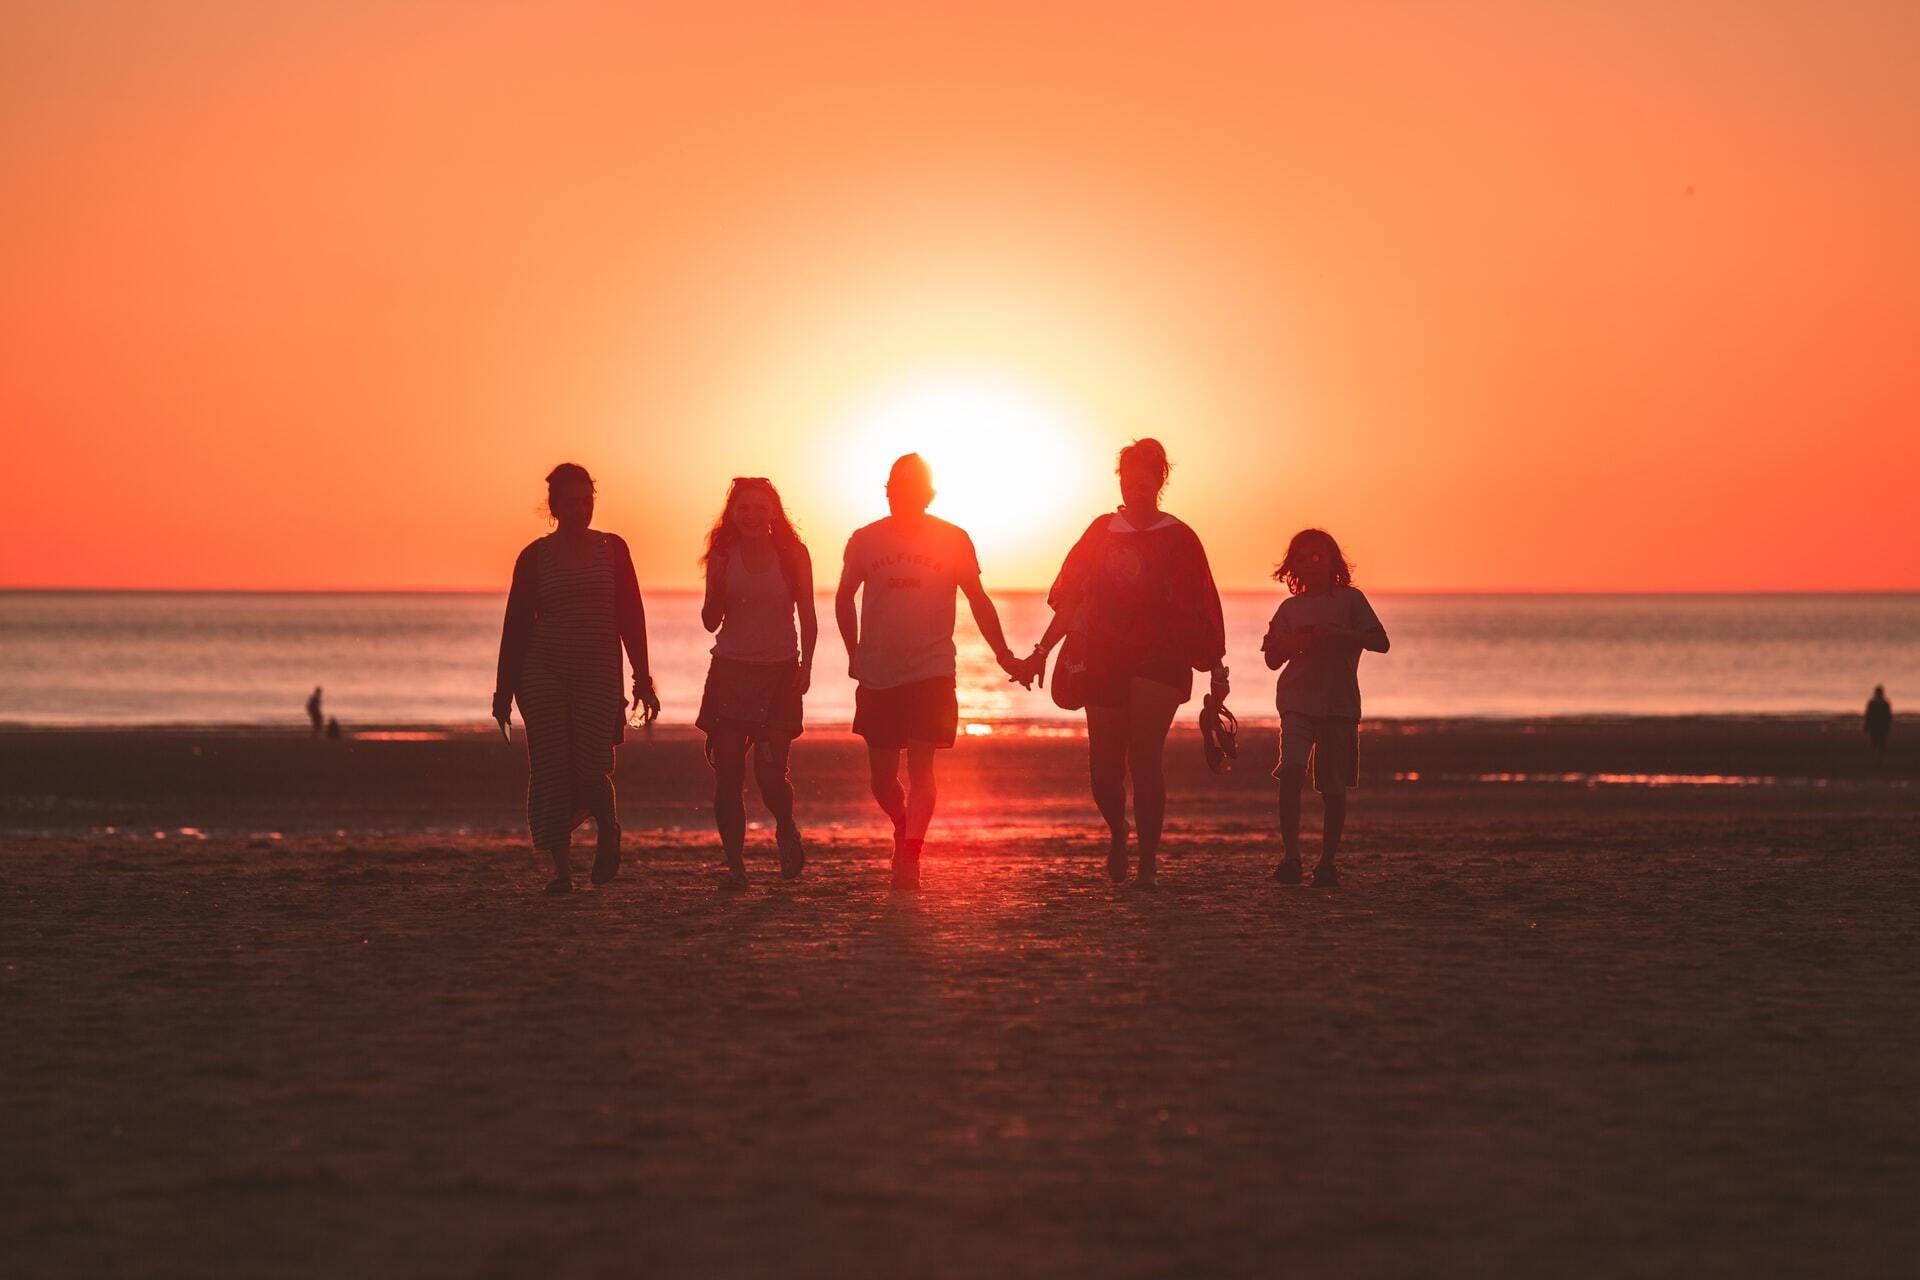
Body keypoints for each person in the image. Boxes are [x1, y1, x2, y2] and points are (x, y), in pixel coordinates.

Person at [1023, 439, 1227, 888]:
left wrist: (1215, 667)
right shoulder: (1101, 532)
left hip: (1163, 658)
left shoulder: (1181, 538)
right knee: (1104, 769)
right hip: (1103, 655)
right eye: (1127, 476)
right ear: (1119, 479)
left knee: (1145, 758)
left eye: (1145, 476)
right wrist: (1041, 650)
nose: (1135, 484)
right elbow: (1070, 597)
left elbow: (1203, 605)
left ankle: (1148, 863)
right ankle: (1119, 833)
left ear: (1161, 479)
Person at [837, 453, 1028, 889]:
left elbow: (978, 599)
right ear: (887, 492)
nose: (902, 496)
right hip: (879, 672)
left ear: (927, 495)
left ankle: (911, 853)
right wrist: (855, 652)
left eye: (911, 489)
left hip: (932, 669)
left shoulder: (953, 539)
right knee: (882, 780)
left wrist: (1003, 655)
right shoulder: (866, 540)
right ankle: (903, 825)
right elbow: (844, 596)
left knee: (922, 770)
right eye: (894, 489)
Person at [493, 463, 659, 894]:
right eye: (572, 502)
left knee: (591, 765)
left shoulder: (613, 550)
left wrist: (643, 678)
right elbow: (516, 626)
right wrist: (503, 691)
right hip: (543, 673)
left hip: (598, 674)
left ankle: (608, 828)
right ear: (554, 506)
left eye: (588, 500)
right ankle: (561, 871)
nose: (582, 509)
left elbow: (631, 616)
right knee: (550, 768)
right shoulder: (535, 557)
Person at [696, 477, 817, 889]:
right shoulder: (723, 554)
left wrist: (808, 664)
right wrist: (715, 584)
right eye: (743, 508)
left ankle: (785, 826)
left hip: (780, 670)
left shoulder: (792, 554)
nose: (751, 515)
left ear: (772, 513)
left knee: (769, 774)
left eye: (760, 508)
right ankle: (736, 867)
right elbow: (711, 620)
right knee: (728, 774)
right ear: (732, 514)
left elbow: (808, 613)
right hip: (730, 670)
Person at [1262, 529, 1389, 888]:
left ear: (1333, 561)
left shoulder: (1351, 601)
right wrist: (1293, 643)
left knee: (1333, 787)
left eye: (1318, 556)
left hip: (1339, 704)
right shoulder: (1290, 608)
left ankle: (1327, 862)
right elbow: (1272, 658)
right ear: (1292, 566)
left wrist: (1341, 634)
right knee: (1290, 772)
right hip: (1296, 701)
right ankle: (1291, 857)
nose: (1311, 563)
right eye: (1302, 558)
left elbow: (1381, 642)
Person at [1866, 685, 1892, 752]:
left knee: (1877, 741)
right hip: (1880, 725)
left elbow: (1868, 715)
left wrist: (1866, 725)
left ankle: (1877, 755)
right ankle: (1878, 755)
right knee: (1880, 742)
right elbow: (1888, 716)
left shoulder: (1872, 703)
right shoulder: (1885, 703)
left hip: (1876, 725)